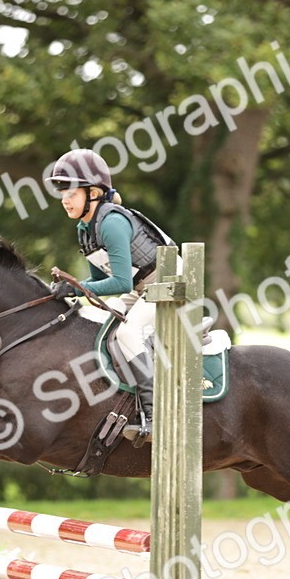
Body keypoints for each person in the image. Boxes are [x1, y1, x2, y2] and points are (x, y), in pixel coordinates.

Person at [46, 148, 176, 443]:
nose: (64, 199)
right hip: (140, 286)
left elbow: (118, 282)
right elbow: (98, 281)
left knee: (129, 335)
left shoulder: (111, 223)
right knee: (98, 323)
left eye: (71, 192)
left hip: (169, 283)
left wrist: (78, 287)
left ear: (93, 192)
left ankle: (157, 417)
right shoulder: (85, 228)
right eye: (61, 191)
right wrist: (73, 293)